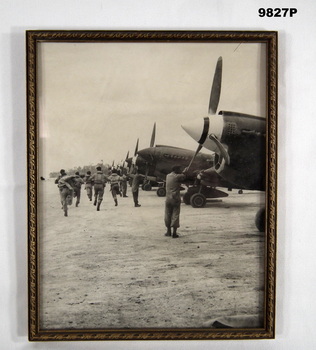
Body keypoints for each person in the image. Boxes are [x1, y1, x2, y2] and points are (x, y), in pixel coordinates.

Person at [164, 165, 187, 238]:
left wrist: (182, 172)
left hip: (168, 199)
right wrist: (185, 172)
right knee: (175, 215)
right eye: (179, 169)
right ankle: (174, 233)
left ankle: (168, 232)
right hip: (175, 199)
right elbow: (183, 176)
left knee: (167, 215)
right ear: (176, 170)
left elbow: (180, 175)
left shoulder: (168, 176)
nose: (180, 170)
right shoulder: (177, 176)